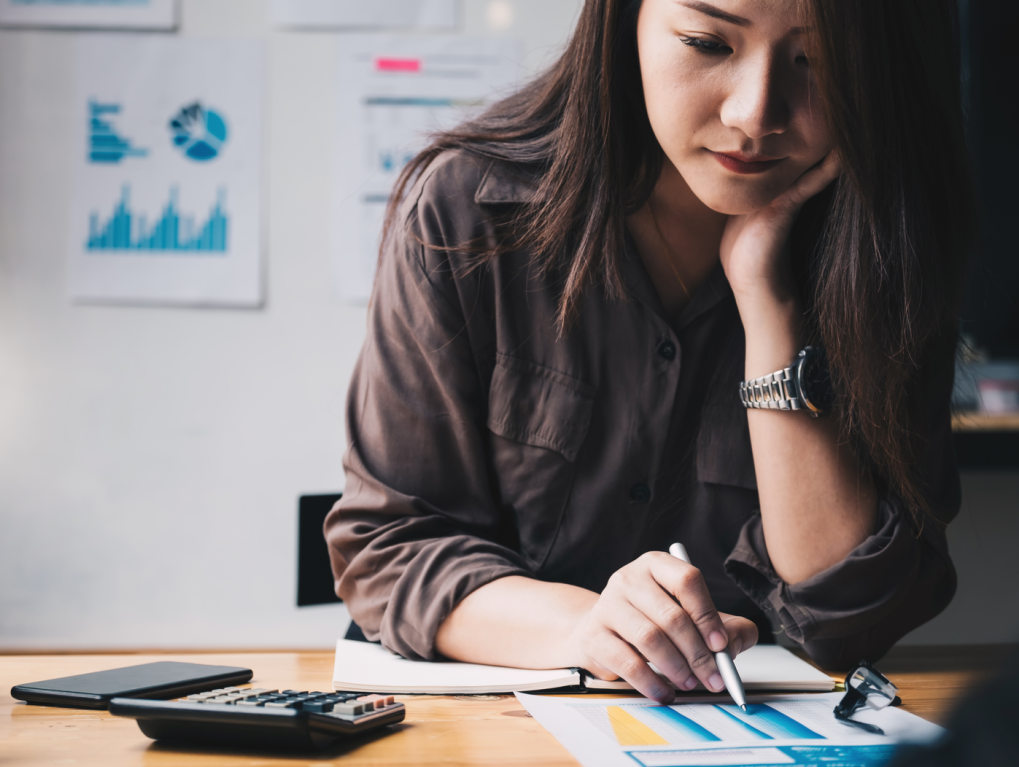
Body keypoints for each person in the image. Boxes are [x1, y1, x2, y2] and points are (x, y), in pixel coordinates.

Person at [325, 0, 975, 704]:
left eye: (817, 62)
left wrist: (767, 301)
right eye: (707, 43)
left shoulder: (889, 246)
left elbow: (851, 619)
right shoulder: (466, 208)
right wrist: (590, 627)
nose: (756, 114)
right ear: (624, 21)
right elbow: (389, 546)